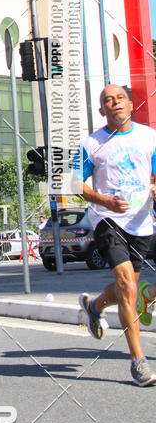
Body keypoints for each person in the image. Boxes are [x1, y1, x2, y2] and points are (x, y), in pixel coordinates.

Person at [76, 84, 156, 386]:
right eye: (108, 100)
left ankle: (95, 306)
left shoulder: (149, 137)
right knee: (126, 283)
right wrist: (104, 201)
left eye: (120, 98)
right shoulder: (92, 144)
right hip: (108, 219)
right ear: (102, 110)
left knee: (130, 288)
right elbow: (75, 184)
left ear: (131, 104)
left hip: (141, 221)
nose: (115, 103)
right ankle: (138, 362)